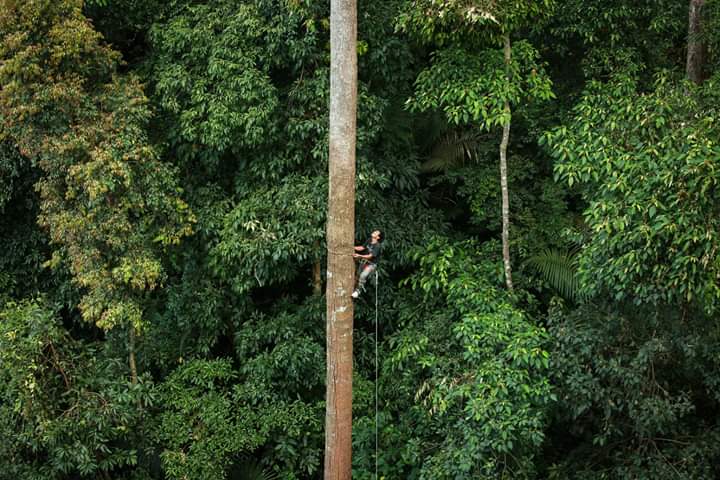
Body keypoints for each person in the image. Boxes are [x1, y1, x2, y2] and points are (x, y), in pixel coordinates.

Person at [351, 229, 383, 299]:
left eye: (376, 233)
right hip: (364, 262)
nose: (374, 232)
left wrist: (359, 256)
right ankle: (353, 289)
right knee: (358, 275)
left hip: (371, 264)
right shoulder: (369, 240)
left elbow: (370, 256)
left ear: (378, 237)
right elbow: (362, 248)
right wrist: (351, 247)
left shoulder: (378, 246)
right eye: (374, 231)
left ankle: (358, 291)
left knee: (363, 276)